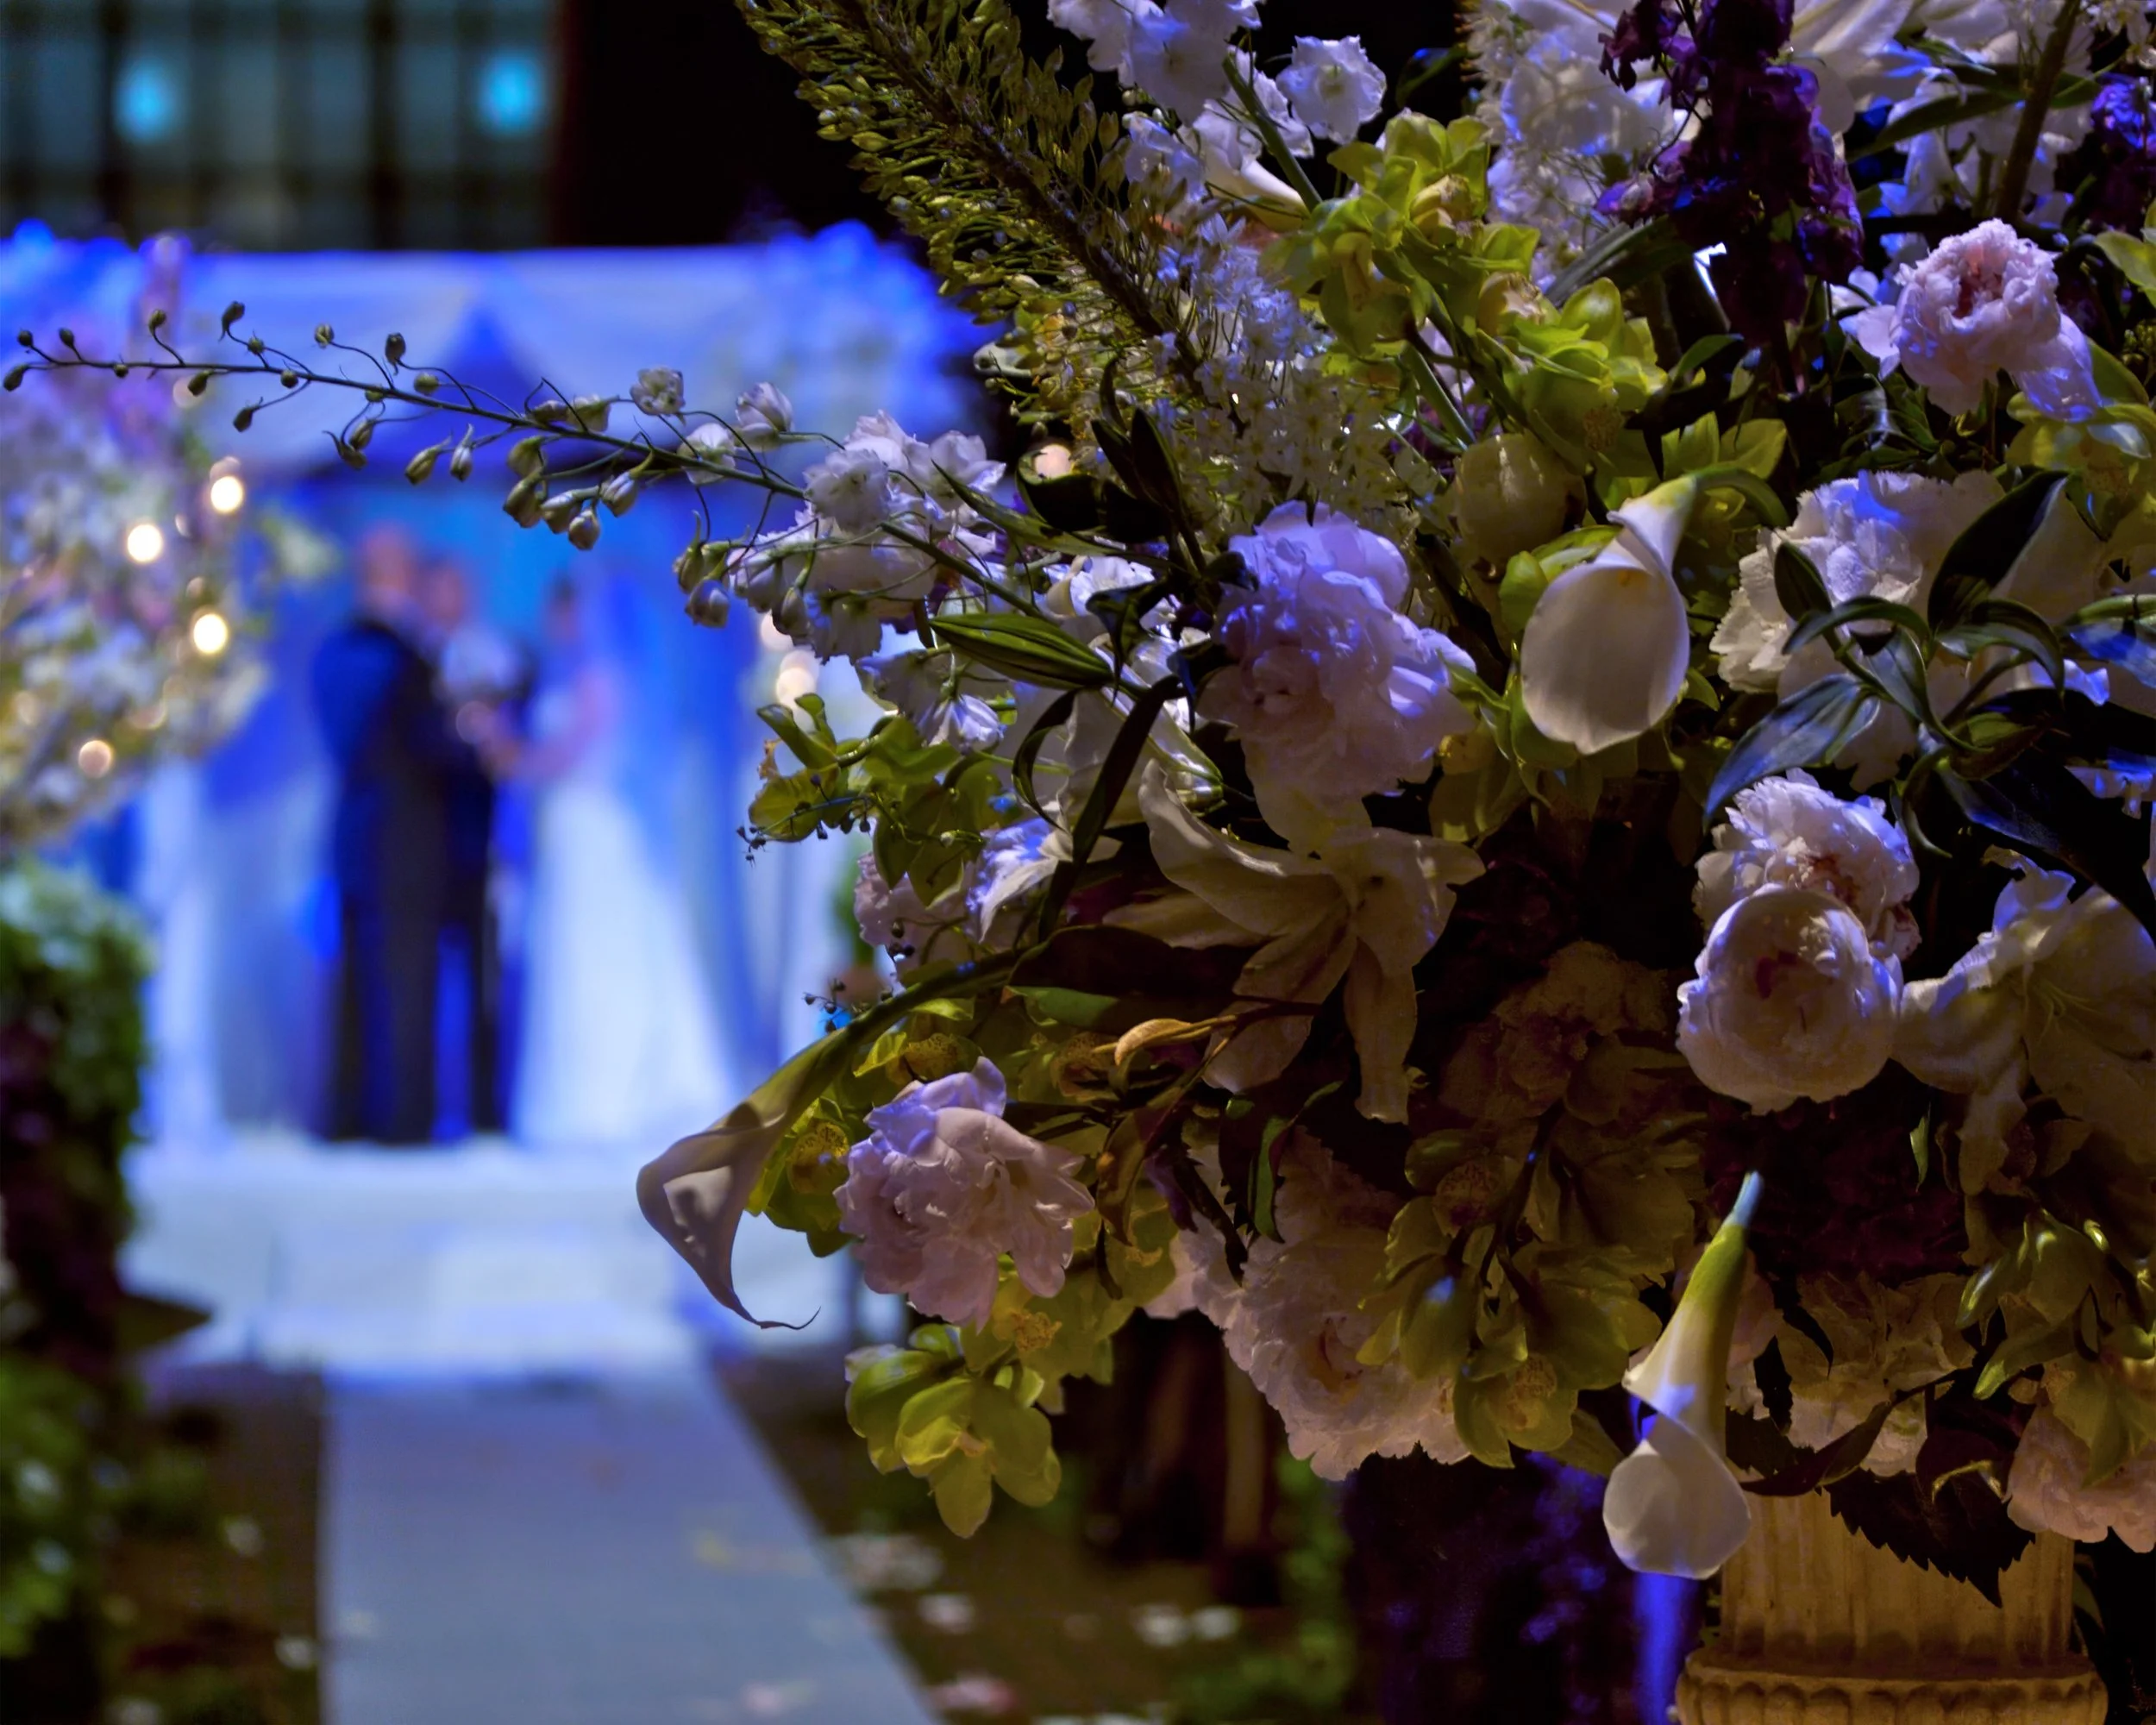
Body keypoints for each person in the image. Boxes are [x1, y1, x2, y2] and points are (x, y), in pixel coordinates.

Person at [509, 578, 730, 1150]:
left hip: (593, 830)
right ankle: (587, 1093)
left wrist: (508, 758)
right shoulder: (582, 674)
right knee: (581, 953)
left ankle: (606, 1097)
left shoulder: (599, 678)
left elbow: (570, 754)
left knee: (598, 954)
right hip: (574, 832)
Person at [312, 527, 479, 1145]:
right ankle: (403, 1121)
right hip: (408, 841)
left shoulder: (332, 653)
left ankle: (346, 1114)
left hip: (353, 838)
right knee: (407, 982)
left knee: (354, 981)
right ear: (396, 574)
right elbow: (426, 748)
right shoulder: (405, 659)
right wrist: (473, 740)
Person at [420, 558, 523, 1135]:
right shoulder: (417, 656)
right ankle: (427, 1101)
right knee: (424, 980)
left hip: (480, 843)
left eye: (455, 588)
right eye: (439, 589)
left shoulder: (494, 654)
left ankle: (484, 1106)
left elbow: (504, 735)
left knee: (485, 976)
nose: (446, 600)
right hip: (424, 843)